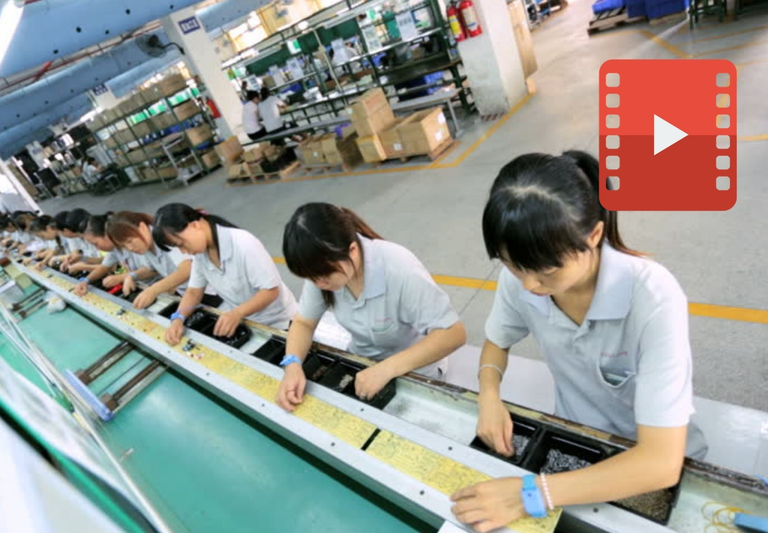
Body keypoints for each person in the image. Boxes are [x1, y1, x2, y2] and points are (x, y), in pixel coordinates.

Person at [449, 151, 707, 532]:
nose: (529, 285)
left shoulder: (653, 298)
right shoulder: (523, 277)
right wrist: (488, 395)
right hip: (580, 445)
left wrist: (529, 495)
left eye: (547, 271)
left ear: (594, 236)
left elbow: (661, 462)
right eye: (511, 265)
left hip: (650, 465)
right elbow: (496, 342)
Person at [276, 203, 466, 412]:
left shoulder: (399, 269)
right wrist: (292, 364)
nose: (319, 284)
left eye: (324, 276)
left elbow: (453, 334)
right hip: (364, 363)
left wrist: (386, 369)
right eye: (312, 278)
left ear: (353, 251)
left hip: (414, 370)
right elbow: (303, 323)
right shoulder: (321, 273)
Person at [152, 204, 298, 345]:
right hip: (252, 324)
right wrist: (178, 318)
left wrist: (236, 313)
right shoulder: (201, 254)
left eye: (181, 244)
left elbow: (270, 291)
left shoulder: (243, 243)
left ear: (195, 225)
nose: (183, 252)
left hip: (281, 324)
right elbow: (194, 291)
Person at [105, 211, 193, 309]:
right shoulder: (146, 246)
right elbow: (151, 269)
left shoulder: (164, 235)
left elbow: (186, 270)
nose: (130, 248)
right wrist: (131, 276)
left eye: (129, 241)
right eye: (124, 246)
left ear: (142, 227)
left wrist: (153, 290)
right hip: (188, 294)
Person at [73, 213, 155, 298]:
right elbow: (104, 267)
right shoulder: (115, 249)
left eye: (96, 244)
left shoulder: (136, 244)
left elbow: (152, 269)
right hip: (144, 286)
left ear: (106, 236)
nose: (97, 248)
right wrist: (86, 281)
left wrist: (122, 277)